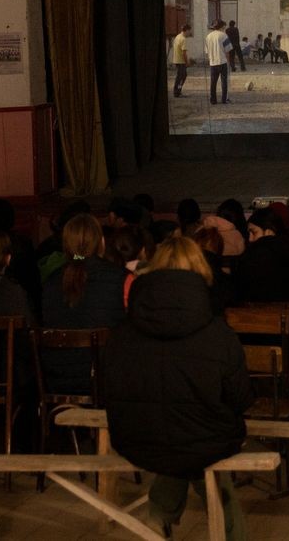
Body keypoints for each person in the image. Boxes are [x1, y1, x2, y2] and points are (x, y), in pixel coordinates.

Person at [104, 237, 253, 539]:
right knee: (195, 446)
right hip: (202, 436)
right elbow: (241, 398)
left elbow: (110, 386)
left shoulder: (122, 331)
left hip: (136, 435)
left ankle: (159, 515)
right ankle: (225, 533)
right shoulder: (218, 333)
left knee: (180, 444)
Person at [39, 213, 127, 394]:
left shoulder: (50, 282)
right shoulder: (120, 278)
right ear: (101, 242)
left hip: (56, 378)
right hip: (107, 378)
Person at [205, 19, 233, 105]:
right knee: (224, 82)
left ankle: (213, 100)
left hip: (213, 62)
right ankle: (224, 99)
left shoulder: (208, 36)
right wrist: (229, 62)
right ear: (221, 27)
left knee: (213, 82)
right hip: (222, 61)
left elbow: (207, 51)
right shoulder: (223, 35)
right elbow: (228, 50)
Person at [171, 23, 191, 98]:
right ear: (186, 30)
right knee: (181, 77)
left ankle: (178, 91)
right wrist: (187, 62)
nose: (190, 33)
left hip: (177, 60)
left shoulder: (177, 37)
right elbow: (184, 53)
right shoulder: (183, 39)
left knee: (181, 76)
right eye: (189, 31)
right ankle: (177, 92)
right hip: (181, 61)